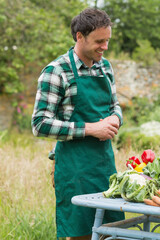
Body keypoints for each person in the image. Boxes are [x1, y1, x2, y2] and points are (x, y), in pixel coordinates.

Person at [31, 8, 124, 240]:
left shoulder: (105, 67)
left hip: (105, 165)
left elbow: (115, 105)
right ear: (79, 36)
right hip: (74, 170)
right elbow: (40, 124)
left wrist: (115, 118)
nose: (105, 47)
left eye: (107, 41)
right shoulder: (57, 72)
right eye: (99, 41)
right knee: (81, 234)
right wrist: (92, 128)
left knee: (112, 233)